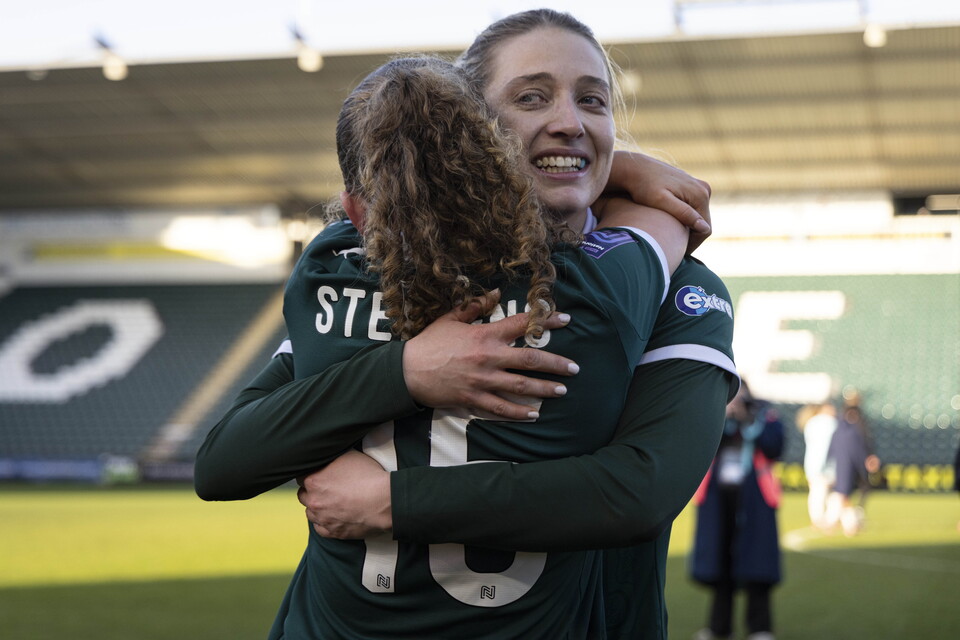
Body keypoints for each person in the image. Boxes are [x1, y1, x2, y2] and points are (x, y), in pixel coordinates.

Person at [196, 9, 738, 639]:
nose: (568, 120)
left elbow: (644, 485)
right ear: (468, 129)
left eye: (594, 101)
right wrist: (410, 370)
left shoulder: (351, 267)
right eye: (531, 97)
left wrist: (388, 497)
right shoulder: (640, 282)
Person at [690, 380, 784, 640]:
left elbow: (775, 446)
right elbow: (701, 444)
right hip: (720, 501)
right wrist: (723, 419)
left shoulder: (767, 415)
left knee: (757, 562)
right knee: (721, 562)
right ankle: (719, 627)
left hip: (755, 501)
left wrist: (748, 420)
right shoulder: (715, 414)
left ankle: (760, 627)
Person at [822, 395, 880, 537]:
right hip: (844, 465)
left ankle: (841, 522)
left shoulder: (853, 427)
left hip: (846, 464)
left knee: (841, 494)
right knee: (841, 494)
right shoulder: (848, 427)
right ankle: (846, 523)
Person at [797, 401, 838, 528]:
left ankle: (820, 519)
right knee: (823, 493)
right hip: (827, 464)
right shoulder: (829, 423)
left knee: (817, 493)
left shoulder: (811, 423)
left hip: (813, 464)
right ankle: (826, 520)